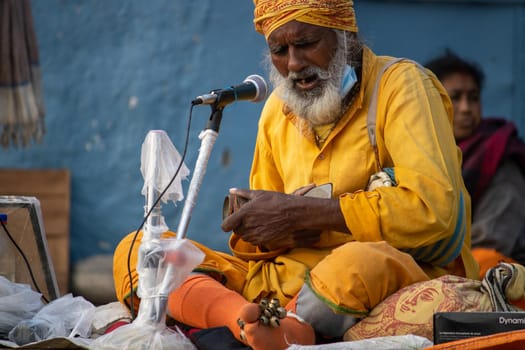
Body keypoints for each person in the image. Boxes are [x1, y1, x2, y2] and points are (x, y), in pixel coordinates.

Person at [113, 1, 479, 348]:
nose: (294, 64)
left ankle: (278, 328)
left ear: (346, 35)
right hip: (282, 283)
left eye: (306, 44)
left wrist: (312, 214)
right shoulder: (277, 109)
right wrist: (263, 228)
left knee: (358, 261)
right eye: (279, 50)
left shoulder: (402, 85)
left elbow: (436, 214)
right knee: (140, 250)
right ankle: (243, 321)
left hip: (377, 275)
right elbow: (261, 240)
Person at [425, 50, 525, 279]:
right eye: (455, 97)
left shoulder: (499, 159)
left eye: (473, 97)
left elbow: (491, 245)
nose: (466, 108)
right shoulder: (423, 154)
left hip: (498, 279)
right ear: (429, 104)